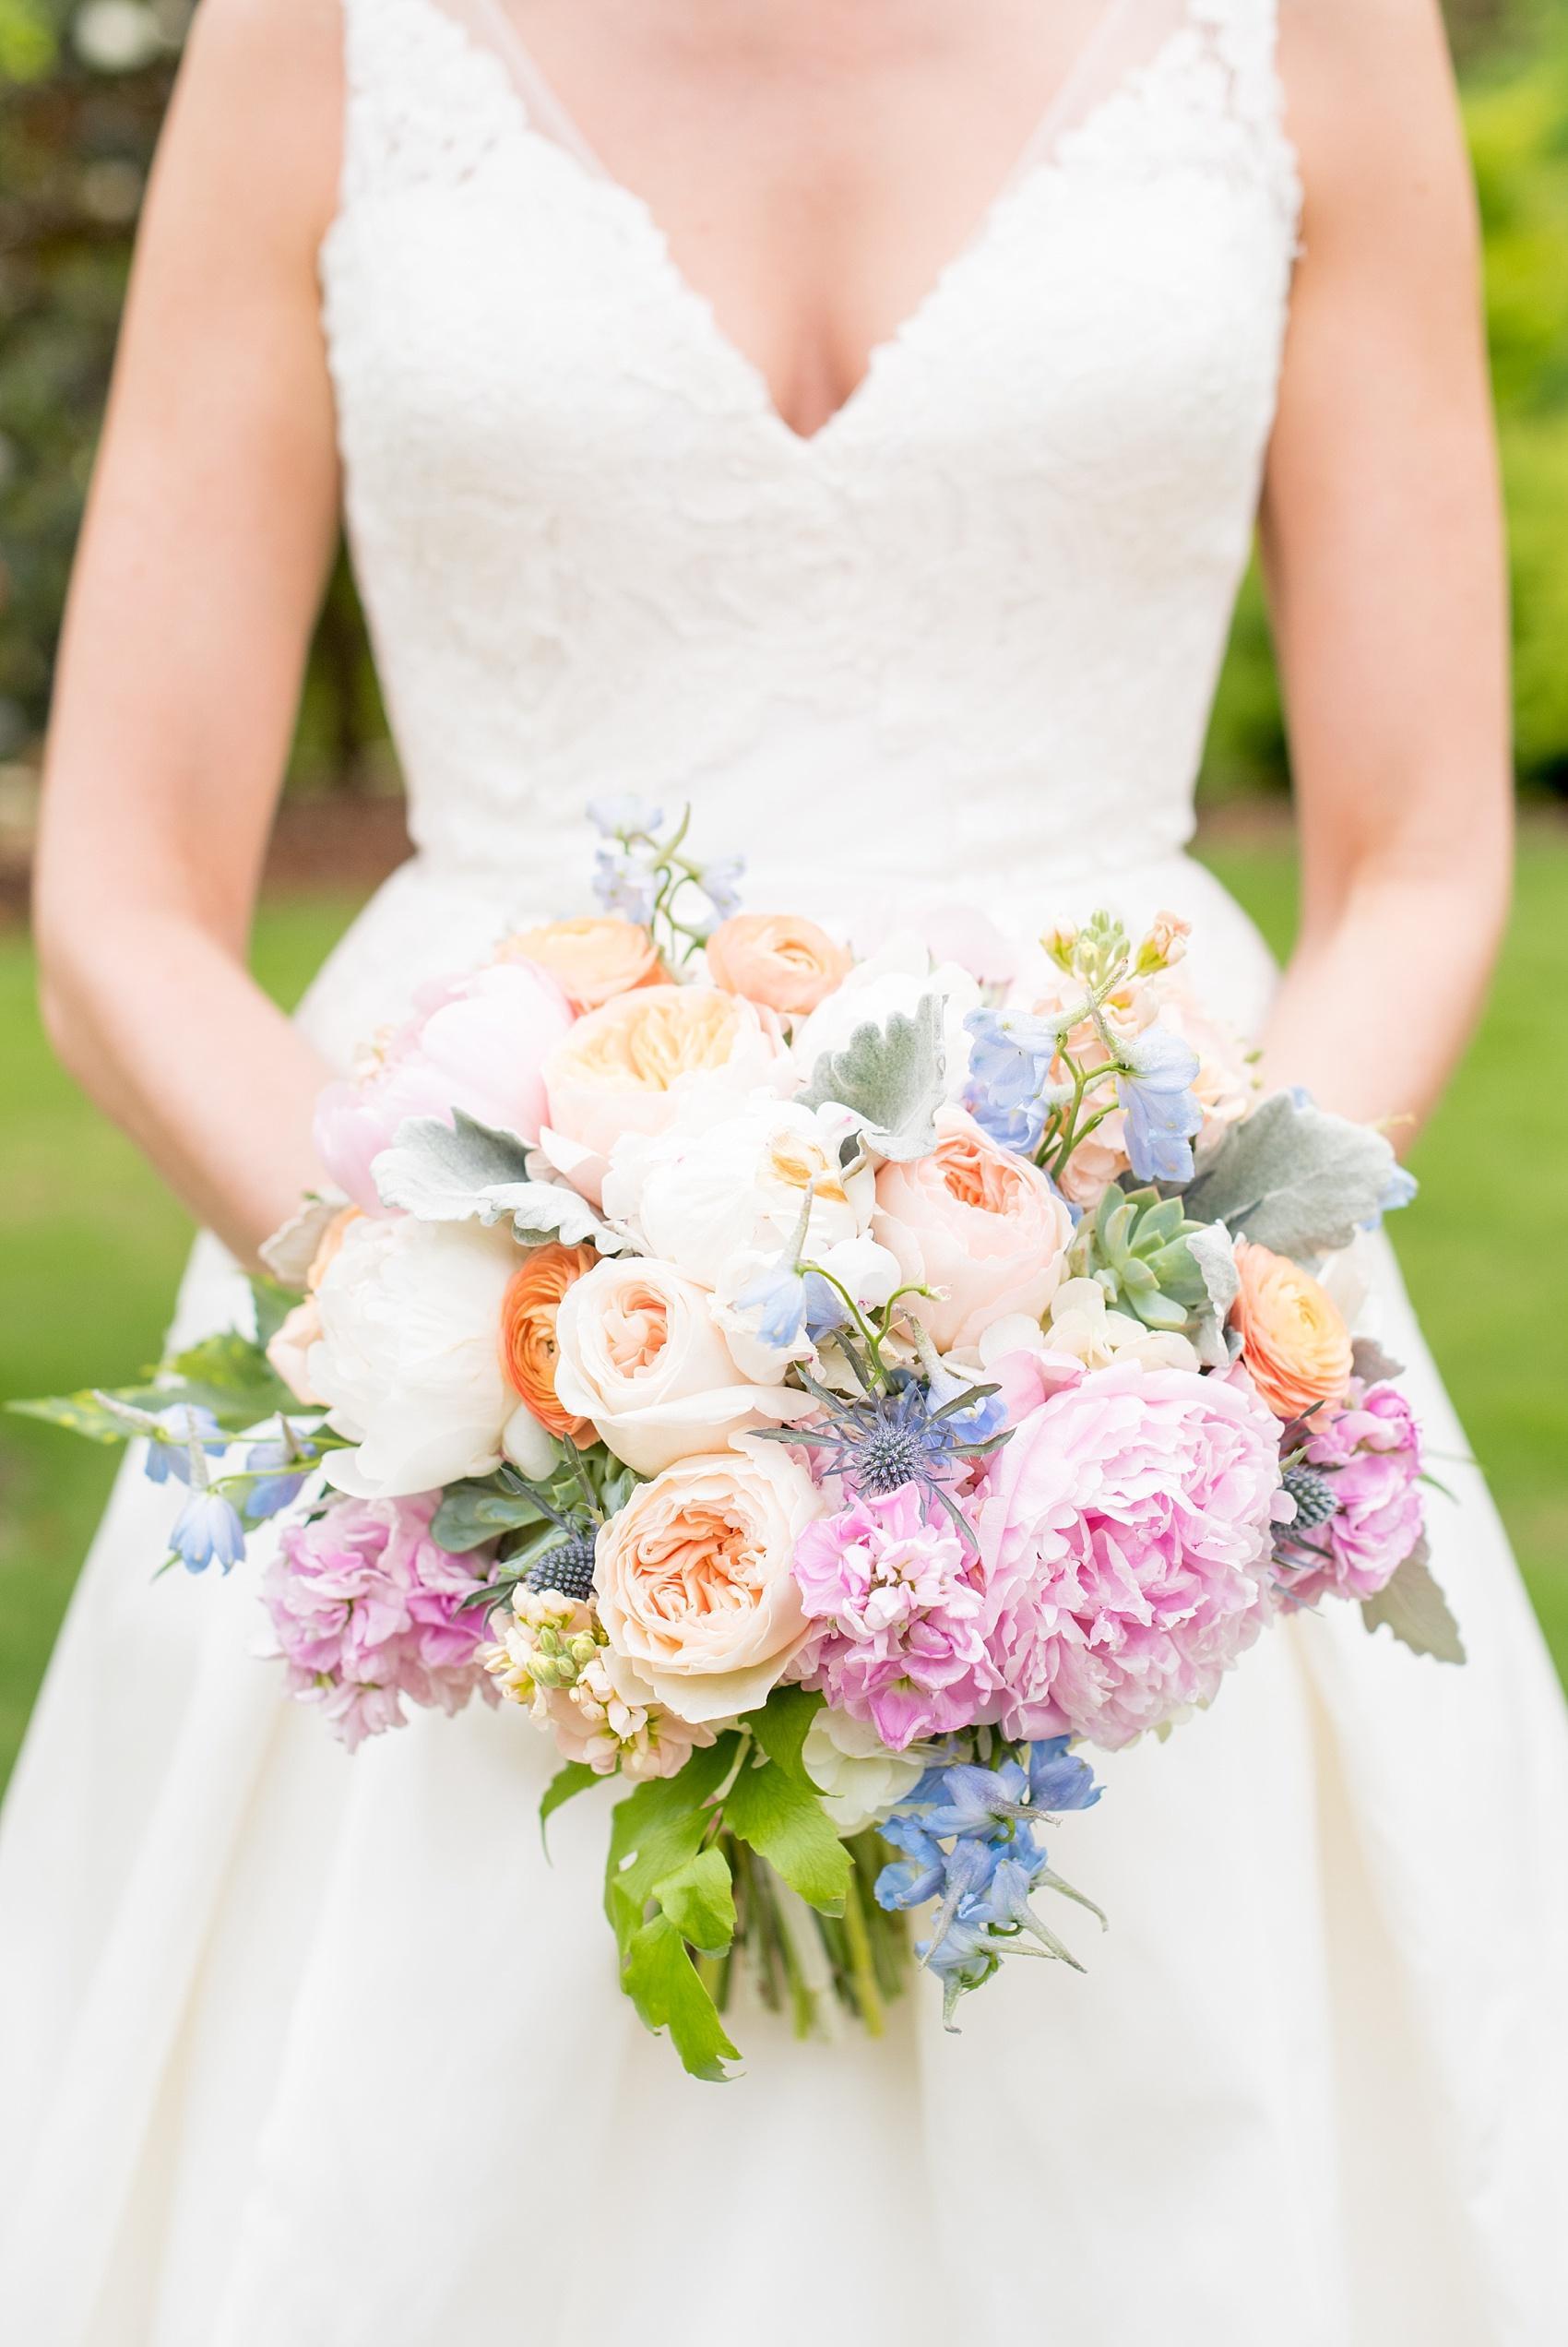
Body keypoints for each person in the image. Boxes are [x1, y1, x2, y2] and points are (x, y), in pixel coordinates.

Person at [3, 1, 1564, 2340]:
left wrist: (1166, 1344)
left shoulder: (1307, 23)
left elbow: (1423, 854)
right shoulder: (317, 27)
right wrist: (499, 1357)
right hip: (448, 1296)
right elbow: (120, 904)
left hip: (1139, 1271)